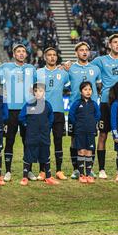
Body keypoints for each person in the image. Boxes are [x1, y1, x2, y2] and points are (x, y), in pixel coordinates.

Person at [90, 34, 118, 179]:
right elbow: (86, 65)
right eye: (114, 42)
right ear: (109, 44)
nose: (117, 44)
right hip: (105, 102)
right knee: (103, 134)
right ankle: (101, 169)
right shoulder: (100, 60)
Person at [0, 44, 36, 182]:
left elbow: (37, 87)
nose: (21, 53)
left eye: (23, 51)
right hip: (10, 110)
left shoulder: (31, 69)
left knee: (28, 141)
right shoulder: (5, 67)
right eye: (18, 51)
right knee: (9, 140)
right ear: (14, 54)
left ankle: (29, 170)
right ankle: (8, 171)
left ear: (26, 54)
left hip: (27, 110)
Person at [67, 42, 101, 179]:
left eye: (86, 50)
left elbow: (99, 85)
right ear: (76, 53)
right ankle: (76, 169)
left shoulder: (95, 68)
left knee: (90, 139)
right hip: (76, 108)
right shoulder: (70, 68)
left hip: (90, 108)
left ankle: (90, 168)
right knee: (74, 140)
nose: (84, 52)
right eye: (81, 50)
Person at [36, 47, 70, 181]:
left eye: (54, 55)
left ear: (57, 57)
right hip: (42, 111)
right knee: (43, 142)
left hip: (58, 112)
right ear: (45, 57)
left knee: (58, 141)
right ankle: (42, 170)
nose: (52, 57)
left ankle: (59, 170)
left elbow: (69, 85)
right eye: (49, 55)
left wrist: (68, 66)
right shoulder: (38, 73)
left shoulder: (63, 73)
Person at [18, 83, 59, 186]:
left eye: (41, 91)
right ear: (33, 92)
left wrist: (47, 127)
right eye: (36, 91)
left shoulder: (47, 104)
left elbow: (51, 117)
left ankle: (48, 177)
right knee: (28, 155)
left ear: (44, 92)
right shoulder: (29, 104)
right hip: (32, 135)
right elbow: (21, 117)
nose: (38, 93)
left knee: (45, 155)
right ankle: (24, 177)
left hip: (44, 135)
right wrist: (27, 125)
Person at [68, 81, 100, 184]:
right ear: (81, 91)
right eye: (85, 89)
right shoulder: (77, 103)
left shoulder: (94, 104)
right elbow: (71, 115)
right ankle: (82, 174)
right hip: (79, 132)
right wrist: (77, 124)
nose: (88, 91)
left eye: (90, 89)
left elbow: (98, 115)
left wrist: (92, 122)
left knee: (89, 152)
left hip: (90, 132)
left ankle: (89, 174)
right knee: (81, 151)